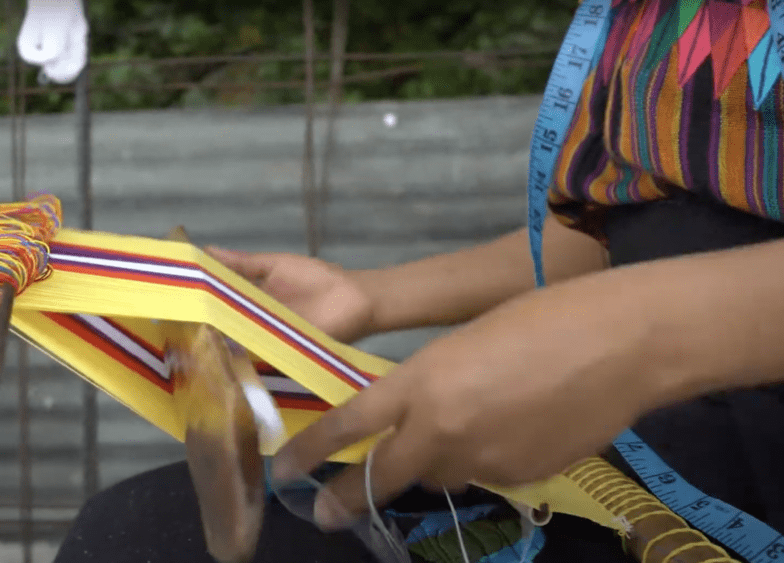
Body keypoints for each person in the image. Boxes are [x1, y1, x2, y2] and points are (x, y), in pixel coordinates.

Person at [54, 1, 784, 561]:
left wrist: (639, 334)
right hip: (643, 465)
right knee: (139, 538)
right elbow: (637, 230)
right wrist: (374, 296)